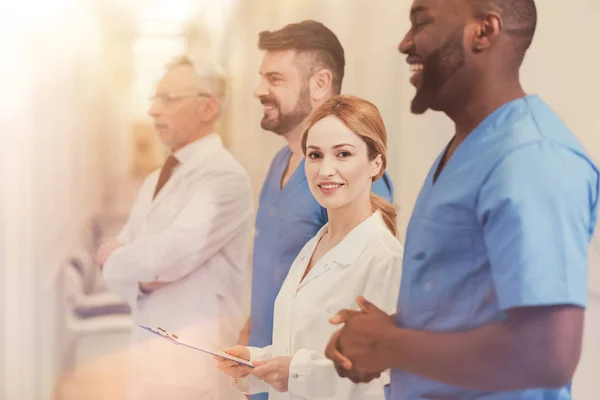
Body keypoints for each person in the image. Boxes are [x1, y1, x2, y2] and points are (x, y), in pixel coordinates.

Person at [325, 1, 600, 399]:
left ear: (484, 32)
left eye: (420, 24)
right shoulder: (468, 145)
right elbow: (473, 310)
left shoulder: (532, 158)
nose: (405, 44)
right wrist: (381, 339)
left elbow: (548, 354)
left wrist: (391, 344)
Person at [239, 20, 395, 400]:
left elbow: (377, 367)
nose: (259, 90)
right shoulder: (281, 166)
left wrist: (293, 372)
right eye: (315, 155)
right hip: (268, 371)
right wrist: (253, 345)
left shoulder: (357, 203)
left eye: (275, 78)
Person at [216, 95, 403, 399]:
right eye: (315, 155)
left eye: (343, 154)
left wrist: (294, 373)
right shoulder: (317, 244)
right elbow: (306, 345)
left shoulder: (383, 257)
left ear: (376, 162)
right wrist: (257, 360)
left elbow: (383, 375)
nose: (326, 170)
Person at [98, 56, 253, 400]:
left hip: (195, 361)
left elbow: (166, 258)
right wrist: (135, 265)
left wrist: (130, 260)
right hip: (148, 354)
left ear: (208, 107)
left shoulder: (224, 178)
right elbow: (120, 269)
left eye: (168, 99)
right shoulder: (158, 177)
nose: (153, 110)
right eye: (154, 98)